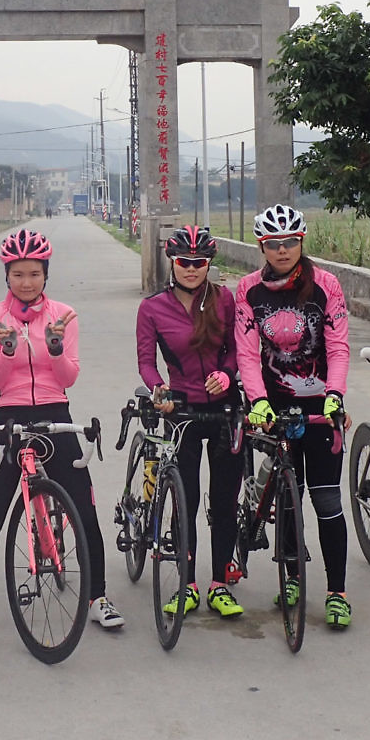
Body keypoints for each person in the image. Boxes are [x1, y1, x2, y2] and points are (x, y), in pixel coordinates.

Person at [0, 228, 125, 639]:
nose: (26, 282)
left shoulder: (64, 315)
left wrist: (57, 348)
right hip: (8, 415)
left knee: (85, 511)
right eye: (18, 275)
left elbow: (69, 378)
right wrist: (9, 353)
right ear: (6, 276)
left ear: (46, 274)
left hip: (54, 411)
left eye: (34, 274)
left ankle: (98, 598)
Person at [235, 204, 353, 630]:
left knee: (325, 501)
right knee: (287, 495)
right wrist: (258, 400)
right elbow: (248, 354)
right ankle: (291, 578)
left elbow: (338, 346)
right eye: (272, 244)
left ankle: (337, 592)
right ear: (261, 246)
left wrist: (336, 395)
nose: (281, 250)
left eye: (289, 242)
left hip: (322, 406)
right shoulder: (248, 290)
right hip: (275, 405)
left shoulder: (326, 285)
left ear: (301, 242)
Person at [135, 225, 244, 619]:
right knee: (186, 499)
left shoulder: (224, 300)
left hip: (224, 410)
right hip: (180, 411)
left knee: (225, 499)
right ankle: (189, 584)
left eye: (200, 263)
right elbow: (147, 361)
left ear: (209, 264)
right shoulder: (152, 308)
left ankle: (219, 583)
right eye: (185, 262)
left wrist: (228, 375)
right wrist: (158, 388)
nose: (193, 269)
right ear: (172, 261)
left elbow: (235, 349)